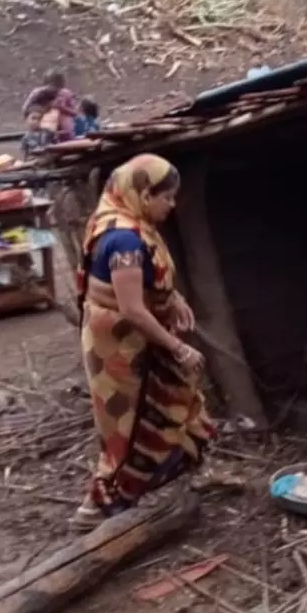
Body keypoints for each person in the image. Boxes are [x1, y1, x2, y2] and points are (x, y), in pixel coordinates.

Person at [75, 154, 211, 529]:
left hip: (139, 343)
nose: (171, 205)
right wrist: (177, 346)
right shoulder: (123, 241)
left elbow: (152, 284)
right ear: (143, 194)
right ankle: (97, 507)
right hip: (122, 348)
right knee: (129, 426)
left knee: (171, 409)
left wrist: (174, 299)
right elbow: (133, 309)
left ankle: (148, 490)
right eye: (166, 197)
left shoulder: (133, 224)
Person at [23, 71, 79, 140]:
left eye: (59, 87)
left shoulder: (64, 94)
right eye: (53, 86)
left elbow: (75, 113)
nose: (56, 90)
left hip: (61, 128)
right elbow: (25, 109)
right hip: (43, 126)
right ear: (46, 85)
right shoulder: (37, 93)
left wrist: (61, 108)